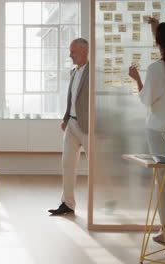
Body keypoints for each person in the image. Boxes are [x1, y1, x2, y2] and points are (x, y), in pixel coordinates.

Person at [129, 19, 165, 245]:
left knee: (163, 180)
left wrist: (137, 80)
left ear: (158, 43)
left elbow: (146, 100)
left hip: (158, 131)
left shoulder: (156, 69)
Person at [48, 38, 90, 215]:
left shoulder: (94, 72)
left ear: (83, 51)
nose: (70, 55)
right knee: (67, 163)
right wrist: (66, 118)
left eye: (73, 51)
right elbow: (72, 98)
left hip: (88, 126)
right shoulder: (73, 72)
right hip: (71, 123)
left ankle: (108, 201)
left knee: (96, 166)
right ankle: (67, 203)